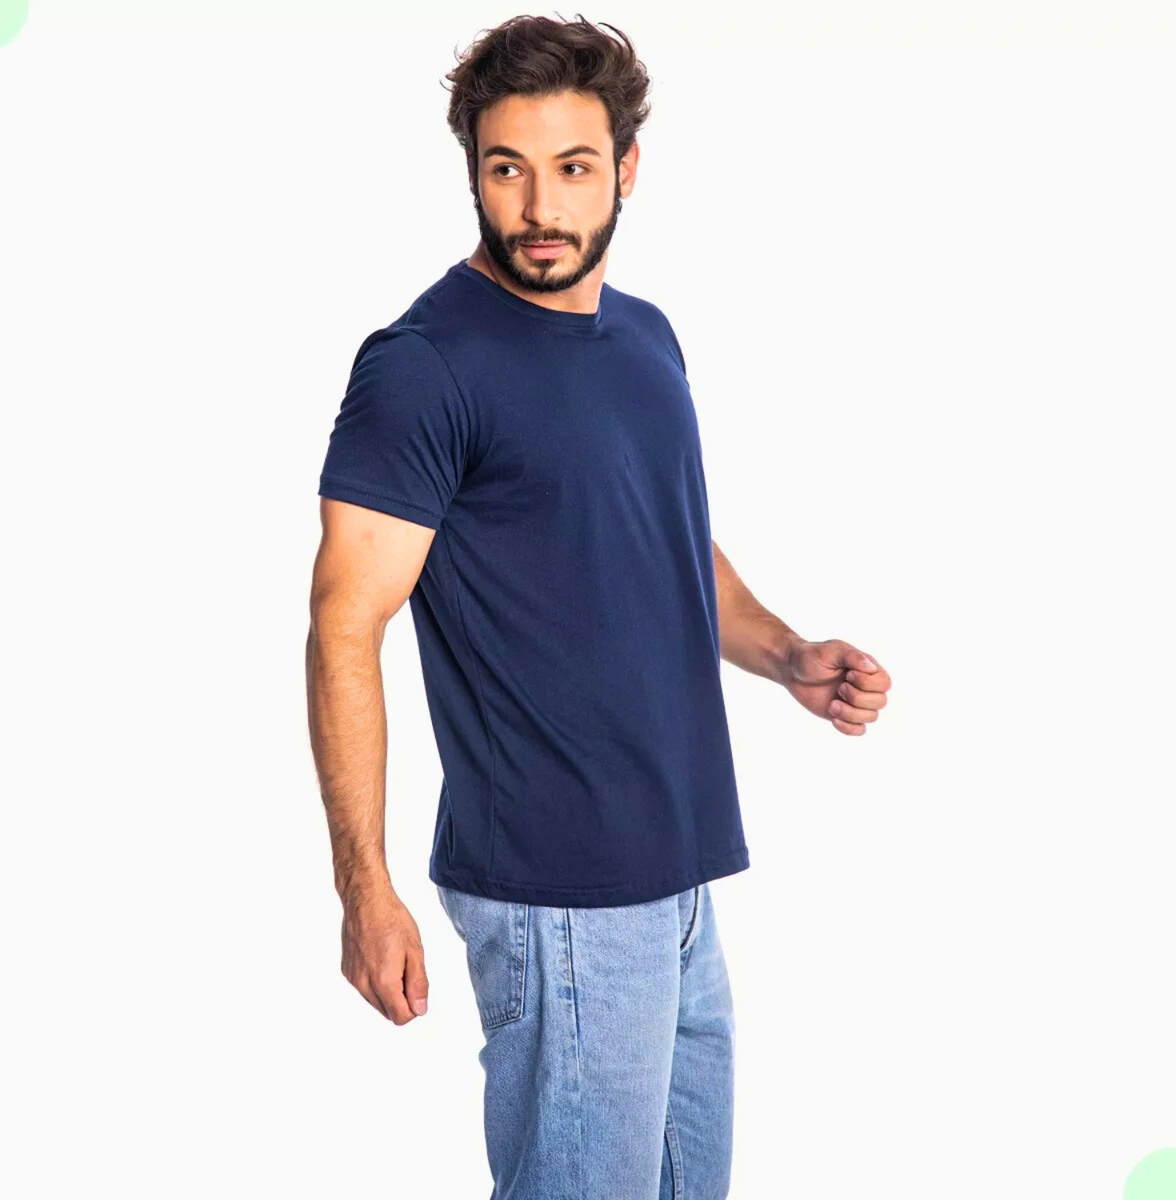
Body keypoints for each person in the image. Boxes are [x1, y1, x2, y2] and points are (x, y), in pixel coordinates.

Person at [305, 14, 892, 1198]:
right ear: (473, 171)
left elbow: (658, 538)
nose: (539, 208)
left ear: (626, 169)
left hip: (677, 874)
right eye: (506, 169)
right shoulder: (424, 365)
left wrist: (786, 654)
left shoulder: (645, 339)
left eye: (572, 168)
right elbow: (344, 624)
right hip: (555, 891)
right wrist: (363, 886)